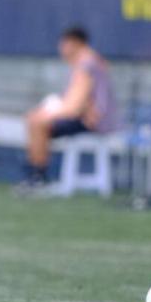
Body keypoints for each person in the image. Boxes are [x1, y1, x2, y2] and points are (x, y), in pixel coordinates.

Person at [22, 27, 118, 190]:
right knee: (36, 118)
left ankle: (38, 175)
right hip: (91, 119)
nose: (61, 48)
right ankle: (36, 172)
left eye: (64, 44)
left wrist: (49, 114)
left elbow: (74, 107)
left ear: (75, 43)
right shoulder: (91, 61)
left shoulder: (86, 65)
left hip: (93, 123)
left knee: (37, 122)